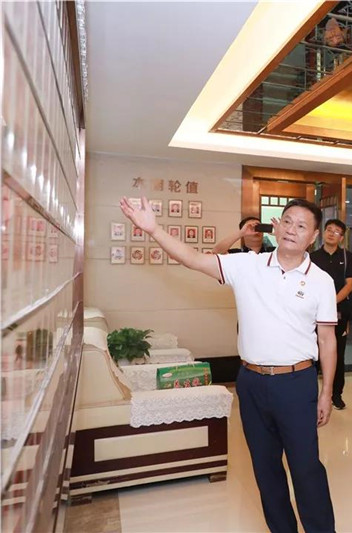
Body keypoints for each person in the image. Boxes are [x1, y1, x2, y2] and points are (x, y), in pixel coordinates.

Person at [119, 197, 337, 533]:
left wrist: (326, 392)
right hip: (251, 382)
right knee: (265, 469)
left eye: (301, 225)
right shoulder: (247, 265)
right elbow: (193, 259)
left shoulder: (321, 280)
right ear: (277, 225)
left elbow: (327, 339)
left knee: (306, 468)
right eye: (287, 221)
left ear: (313, 236)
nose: (292, 230)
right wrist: (154, 229)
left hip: (297, 383)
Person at [310, 219, 352, 410]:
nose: (331, 233)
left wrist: (331, 303)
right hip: (314, 314)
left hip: (339, 313)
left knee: (338, 354)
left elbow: (350, 284)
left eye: (336, 231)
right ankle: (312, 395)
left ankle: (336, 394)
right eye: (329, 230)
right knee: (313, 355)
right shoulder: (312, 256)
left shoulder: (347, 256)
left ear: (341, 237)